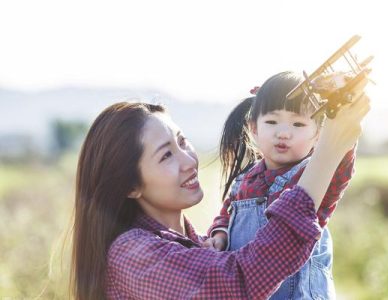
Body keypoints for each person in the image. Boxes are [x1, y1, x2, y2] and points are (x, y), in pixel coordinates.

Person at [71, 80, 369, 299]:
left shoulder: (201, 246)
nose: (188, 161)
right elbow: (238, 282)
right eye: (166, 155)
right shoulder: (133, 256)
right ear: (131, 185)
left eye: (183, 142)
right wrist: (329, 150)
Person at [203, 71, 356, 299]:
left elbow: (340, 156)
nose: (283, 133)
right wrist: (220, 234)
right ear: (253, 128)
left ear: (319, 134)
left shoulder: (315, 175)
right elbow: (227, 213)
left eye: (298, 124)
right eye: (272, 121)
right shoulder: (245, 179)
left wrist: (342, 114)